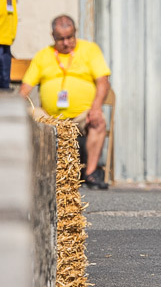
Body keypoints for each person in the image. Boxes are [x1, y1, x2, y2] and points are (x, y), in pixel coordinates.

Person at [20, 15, 112, 190]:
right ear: (52, 36)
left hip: (82, 115)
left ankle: (90, 173)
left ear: (75, 33)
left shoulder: (90, 50)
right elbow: (25, 88)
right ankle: (37, 174)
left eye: (70, 37)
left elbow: (103, 81)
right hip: (51, 117)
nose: (66, 42)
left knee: (99, 120)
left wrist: (96, 108)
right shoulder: (43, 56)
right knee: (26, 116)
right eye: (60, 38)